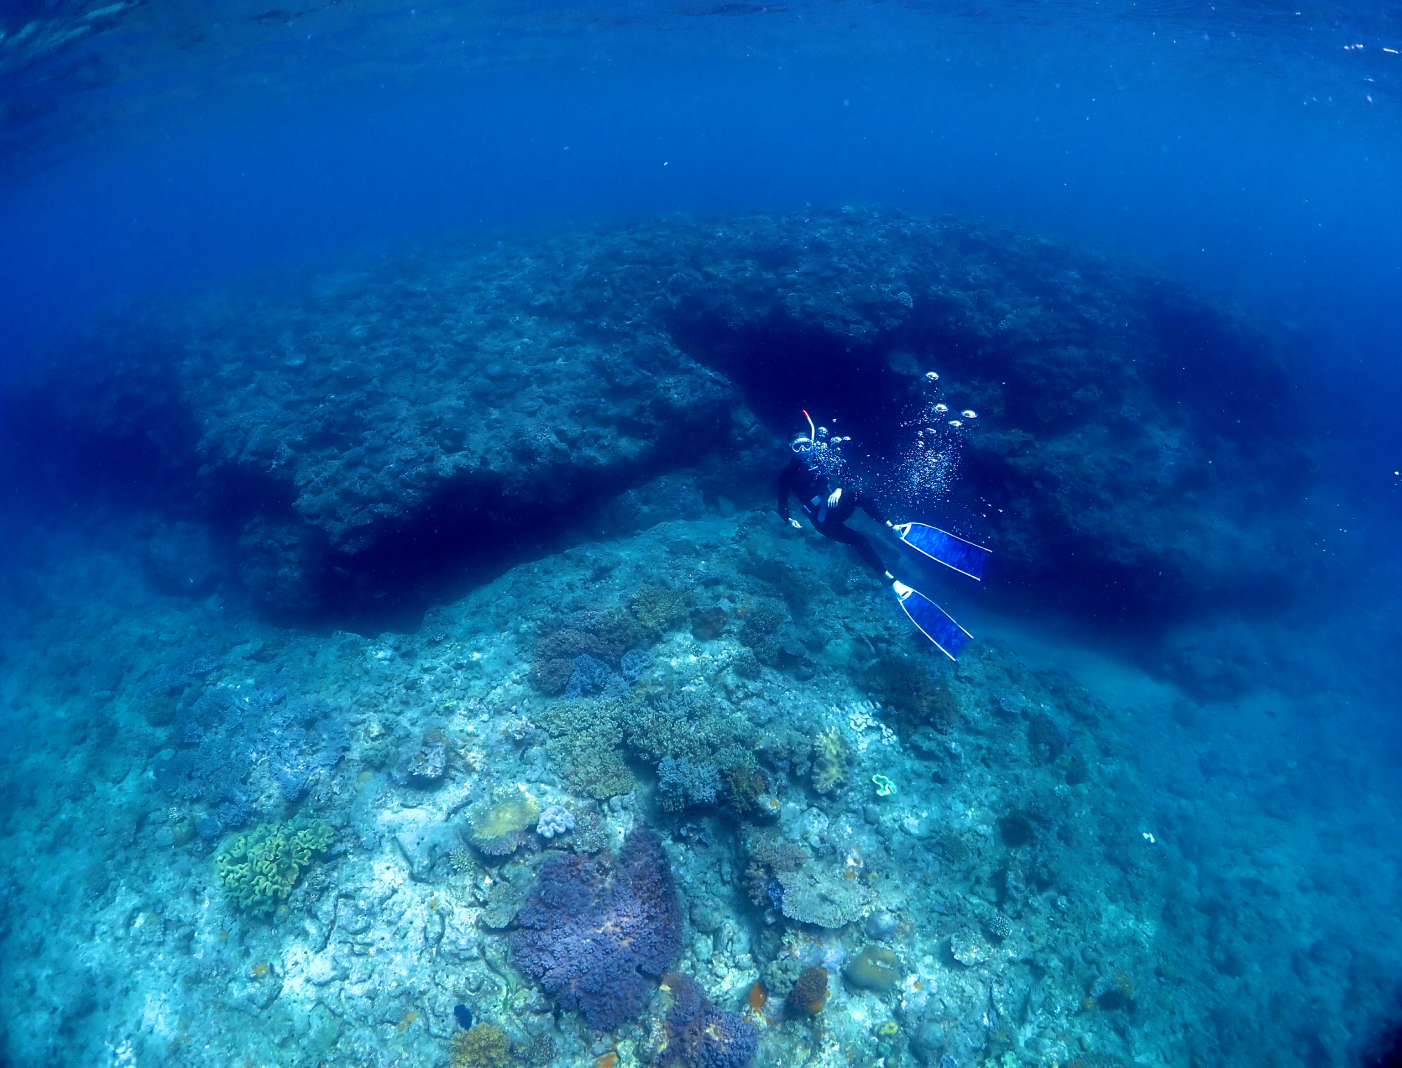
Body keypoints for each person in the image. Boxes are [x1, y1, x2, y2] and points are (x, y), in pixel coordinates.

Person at [777, 421, 894, 580]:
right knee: (859, 539)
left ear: (812, 444)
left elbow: (847, 474)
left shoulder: (821, 459)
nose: (803, 451)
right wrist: (789, 519)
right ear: (790, 448)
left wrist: (838, 491)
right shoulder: (787, 473)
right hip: (823, 522)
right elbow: (782, 503)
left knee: (857, 494)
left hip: (836, 507)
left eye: (806, 445)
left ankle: (891, 526)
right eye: (797, 447)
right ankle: (889, 579)